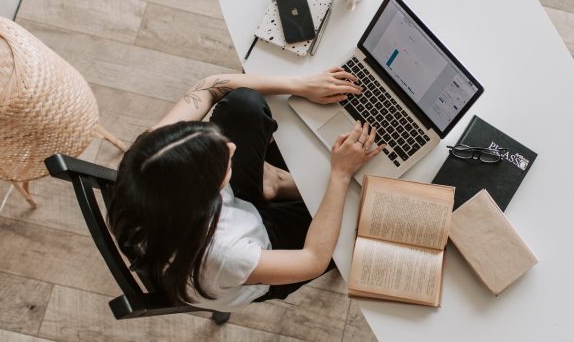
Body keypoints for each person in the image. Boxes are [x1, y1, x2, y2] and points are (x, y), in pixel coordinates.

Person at [107, 68, 385, 312]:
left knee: (243, 104)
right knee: (362, 218)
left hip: (221, 218)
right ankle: (276, 185)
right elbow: (312, 259)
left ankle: (272, 184)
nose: (231, 147)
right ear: (206, 195)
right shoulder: (226, 255)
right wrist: (339, 174)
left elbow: (209, 86)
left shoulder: (149, 158)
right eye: (222, 162)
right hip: (264, 250)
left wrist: (300, 84)